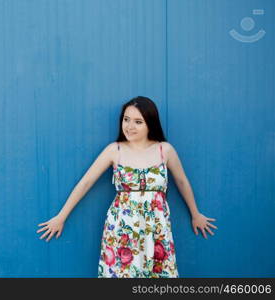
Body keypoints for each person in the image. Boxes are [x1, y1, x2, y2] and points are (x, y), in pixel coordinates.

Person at [36, 96, 217, 278]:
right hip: (122, 228)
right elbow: (86, 183)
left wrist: (195, 214)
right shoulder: (115, 150)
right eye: (126, 119)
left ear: (150, 124)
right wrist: (61, 216)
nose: (129, 126)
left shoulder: (165, 150)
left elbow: (182, 181)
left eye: (138, 122)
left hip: (156, 228)